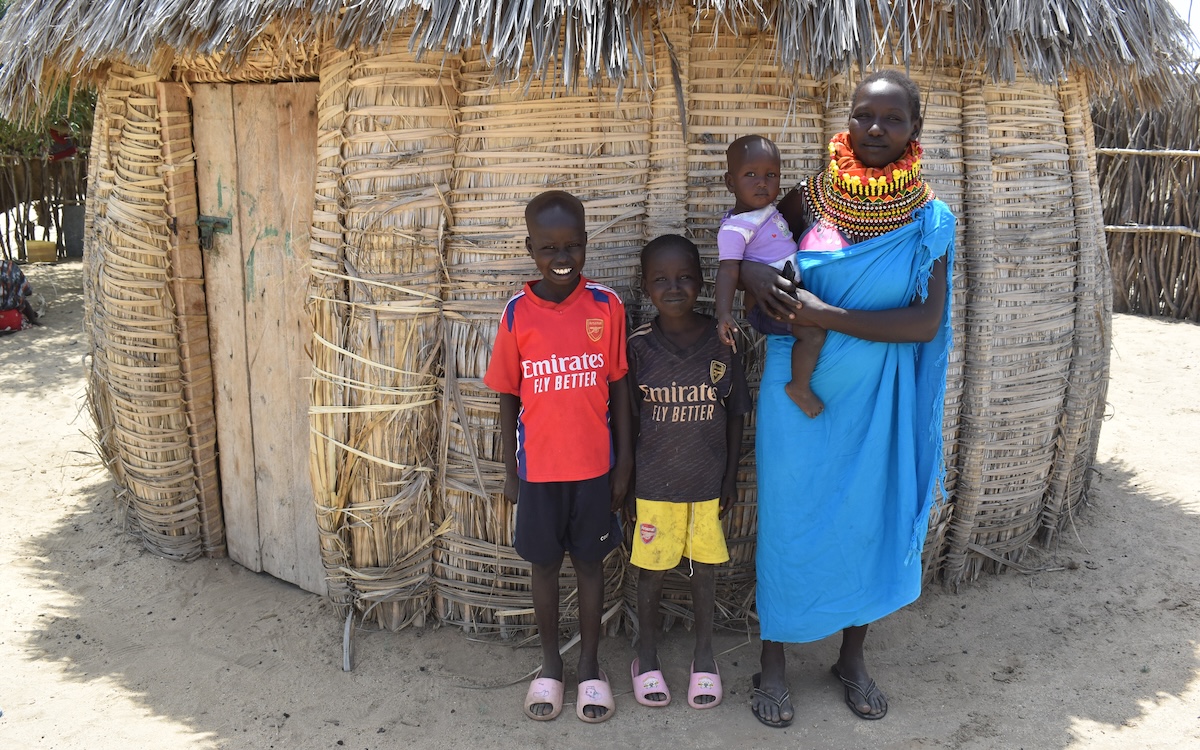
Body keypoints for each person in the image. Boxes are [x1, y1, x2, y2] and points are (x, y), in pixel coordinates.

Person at [741, 70, 956, 728]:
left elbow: (924, 321)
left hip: (878, 400)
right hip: (794, 394)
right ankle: (772, 664)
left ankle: (852, 659)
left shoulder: (930, 221)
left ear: (915, 128)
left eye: (892, 119)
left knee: (867, 523)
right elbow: (750, 248)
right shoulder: (811, 197)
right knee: (788, 521)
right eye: (865, 115)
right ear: (849, 119)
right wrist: (756, 276)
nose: (876, 129)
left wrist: (826, 314)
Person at [483, 190, 632, 724]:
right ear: (531, 248)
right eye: (549, 247)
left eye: (571, 245)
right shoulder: (517, 311)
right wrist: (510, 471)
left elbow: (619, 390)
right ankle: (551, 667)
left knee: (589, 566)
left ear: (586, 244)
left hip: (594, 470)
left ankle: (590, 667)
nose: (561, 257)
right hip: (539, 473)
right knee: (544, 568)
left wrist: (624, 466)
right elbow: (506, 392)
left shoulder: (605, 306)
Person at [626, 235, 750, 710]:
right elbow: (629, 421)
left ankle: (704, 655)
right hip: (654, 487)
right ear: (644, 286)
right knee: (651, 573)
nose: (673, 287)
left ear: (702, 283)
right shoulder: (639, 346)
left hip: (706, 483)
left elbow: (736, 411)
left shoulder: (723, 342)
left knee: (704, 572)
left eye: (684, 277)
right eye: (660, 279)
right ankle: (646, 655)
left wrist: (729, 477)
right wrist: (629, 484)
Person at [715, 135, 826, 418]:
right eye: (750, 174)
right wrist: (724, 313)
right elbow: (728, 269)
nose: (761, 182)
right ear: (730, 182)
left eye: (771, 175)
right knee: (813, 333)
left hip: (785, 294)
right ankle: (799, 387)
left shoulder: (767, 212)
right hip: (769, 306)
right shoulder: (735, 229)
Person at [1, 258, 38, 333]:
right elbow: (27, 291)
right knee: (21, 299)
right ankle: (32, 320)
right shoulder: (11, 267)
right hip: (12, 320)